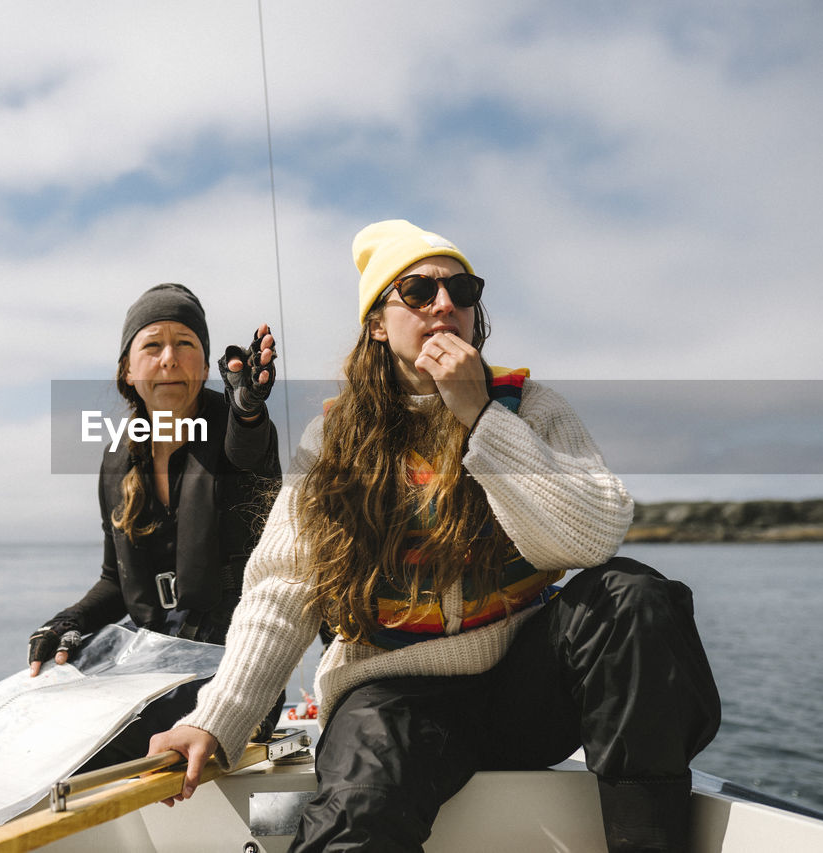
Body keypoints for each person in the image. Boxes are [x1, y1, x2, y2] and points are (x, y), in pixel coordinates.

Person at [149, 221, 721, 852]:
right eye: (418, 292)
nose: (445, 305)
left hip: (524, 687)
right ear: (376, 322)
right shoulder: (333, 441)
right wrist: (217, 719)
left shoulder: (532, 409)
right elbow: (282, 590)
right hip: (391, 692)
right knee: (356, 819)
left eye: (462, 289)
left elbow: (591, 538)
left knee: (632, 596)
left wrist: (478, 414)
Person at [28, 282, 285, 769]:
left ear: (206, 367)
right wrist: (70, 622)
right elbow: (115, 583)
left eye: (186, 344)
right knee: (36, 719)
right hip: (152, 660)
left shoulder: (236, 431)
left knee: (82, 753)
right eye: (152, 345)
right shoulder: (117, 457)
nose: (169, 358)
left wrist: (249, 410)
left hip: (236, 671)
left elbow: (248, 450)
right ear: (128, 368)